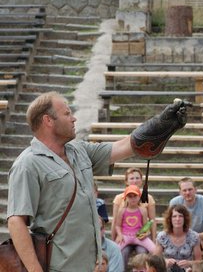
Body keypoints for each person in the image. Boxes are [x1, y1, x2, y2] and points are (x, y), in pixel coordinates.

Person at [6, 92, 187, 271]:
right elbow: (16, 222)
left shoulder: (78, 150)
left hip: (88, 265)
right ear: (48, 120)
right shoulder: (27, 164)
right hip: (57, 266)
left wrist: (160, 126)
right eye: (67, 113)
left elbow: (124, 146)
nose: (74, 118)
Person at [170, 177, 203, 271]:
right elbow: (171, 226)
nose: (187, 193)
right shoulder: (174, 202)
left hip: (200, 235)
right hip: (180, 234)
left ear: (195, 190)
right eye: (184, 190)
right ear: (180, 192)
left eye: (190, 189)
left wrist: (192, 237)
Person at [156, 204, 202, 271]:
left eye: (180, 216)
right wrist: (165, 262)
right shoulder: (162, 236)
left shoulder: (194, 236)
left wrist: (189, 263)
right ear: (170, 219)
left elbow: (199, 261)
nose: (177, 219)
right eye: (174, 216)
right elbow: (155, 259)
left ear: (185, 219)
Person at [114, 185, 157, 254]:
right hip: (125, 236)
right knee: (114, 251)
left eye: (135, 196)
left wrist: (145, 234)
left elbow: (145, 226)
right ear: (126, 198)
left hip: (138, 236)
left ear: (139, 197)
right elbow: (117, 225)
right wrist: (120, 235)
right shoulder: (122, 211)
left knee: (155, 250)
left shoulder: (143, 210)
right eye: (130, 196)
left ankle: (160, 263)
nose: (133, 198)